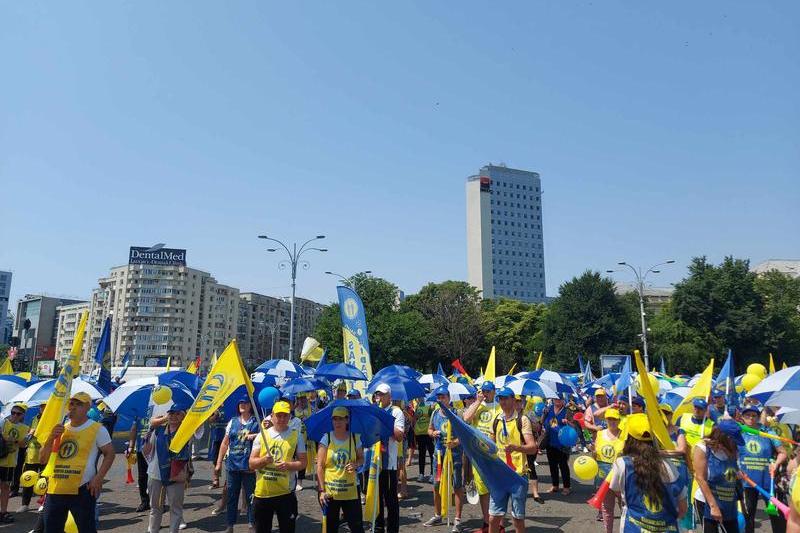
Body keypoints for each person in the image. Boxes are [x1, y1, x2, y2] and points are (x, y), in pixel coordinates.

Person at [39, 392, 115, 533]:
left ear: (87, 407)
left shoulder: (97, 429)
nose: (73, 407)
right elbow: (42, 459)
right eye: (71, 404)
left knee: (86, 529)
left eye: (78, 404)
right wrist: (51, 438)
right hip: (56, 488)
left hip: (82, 489)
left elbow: (110, 454)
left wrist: (98, 478)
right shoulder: (60, 429)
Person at [609, 413, 688, 532]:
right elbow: (682, 509)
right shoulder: (670, 466)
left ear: (629, 438)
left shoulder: (622, 464)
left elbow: (617, 491)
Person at [249, 400, 307, 533]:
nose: (282, 419)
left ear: (289, 417)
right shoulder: (262, 435)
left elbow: (303, 463)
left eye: (285, 416)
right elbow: (251, 464)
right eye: (278, 415)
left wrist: (288, 465)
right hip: (263, 494)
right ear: (272, 415)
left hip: (285, 494)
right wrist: (264, 460)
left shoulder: (296, 436)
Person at [487, 387, 536, 533]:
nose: (502, 402)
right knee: (493, 518)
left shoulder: (523, 420)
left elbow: (533, 447)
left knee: (518, 519)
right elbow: (490, 445)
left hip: (517, 475)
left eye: (506, 398)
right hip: (499, 476)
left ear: (513, 400)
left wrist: (517, 448)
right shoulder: (496, 419)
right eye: (500, 398)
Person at [143, 403, 193, 533]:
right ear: (166, 415)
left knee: (175, 508)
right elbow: (146, 450)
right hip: (156, 474)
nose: (174, 416)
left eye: (178, 414)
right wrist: (149, 432)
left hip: (176, 475)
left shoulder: (186, 431)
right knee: (155, 507)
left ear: (183, 416)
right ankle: (153, 530)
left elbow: (197, 427)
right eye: (171, 413)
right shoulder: (158, 430)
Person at [738, 405, 787, 533]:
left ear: (758, 417)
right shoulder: (738, 434)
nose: (751, 418)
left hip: (767, 481)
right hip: (747, 482)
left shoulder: (768, 432)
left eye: (754, 415)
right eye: (747, 415)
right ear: (742, 418)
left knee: (776, 516)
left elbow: (782, 452)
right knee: (748, 517)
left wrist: (776, 464)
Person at [316, 406, 365, 533]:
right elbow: (320, 466)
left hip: (351, 490)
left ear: (347, 420)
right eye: (335, 419)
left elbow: (361, 459)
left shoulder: (355, 438)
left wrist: (356, 464)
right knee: (331, 528)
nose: (337, 422)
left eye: (341, 419)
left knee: (357, 527)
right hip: (331, 491)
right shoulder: (326, 438)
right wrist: (321, 490)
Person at [423, 387, 465, 532]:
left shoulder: (456, 414)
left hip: (454, 456)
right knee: (436, 485)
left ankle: (457, 519)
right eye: (438, 397)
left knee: (457, 486)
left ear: (449, 398)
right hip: (438, 456)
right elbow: (429, 429)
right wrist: (432, 433)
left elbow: (464, 434)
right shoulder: (435, 412)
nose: (440, 400)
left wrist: (456, 442)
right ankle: (437, 514)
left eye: (443, 397)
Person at [216, 397, 259, 533]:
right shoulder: (232, 422)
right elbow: (224, 443)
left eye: (245, 403)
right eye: (240, 403)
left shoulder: (256, 421)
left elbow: (266, 436)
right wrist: (218, 463)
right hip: (233, 465)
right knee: (232, 496)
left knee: (251, 496)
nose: (242, 405)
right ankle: (230, 525)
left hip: (248, 466)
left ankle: (252, 523)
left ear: (251, 406)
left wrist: (256, 435)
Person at [463, 381, 502, 531]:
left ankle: (499, 525)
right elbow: (466, 418)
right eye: (483, 391)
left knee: (497, 490)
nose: (485, 394)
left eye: (488, 391)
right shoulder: (477, 405)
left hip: (494, 455)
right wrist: (478, 401)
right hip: (478, 454)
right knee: (483, 490)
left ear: (494, 391)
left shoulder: (499, 407)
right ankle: (487, 523)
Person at [693, 420, 745, 533]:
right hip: (707, 501)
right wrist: (713, 506)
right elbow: (700, 478)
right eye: (733, 440)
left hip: (728, 501)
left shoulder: (732, 449)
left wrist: (737, 475)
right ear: (725, 437)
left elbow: (730, 473)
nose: (735, 443)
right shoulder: (702, 448)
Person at [373, 383, 405, 533]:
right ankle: (378, 528)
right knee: (376, 498)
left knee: (391, 500)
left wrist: (385, 422)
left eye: (383, 394)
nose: (380, 397)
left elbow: (399, 436)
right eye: (378, 394)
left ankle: (393, 529)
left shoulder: (396, 412)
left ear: (389, 396)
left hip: (390, 463)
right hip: (375, 462)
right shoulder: (376, 410)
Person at [595, 407, 623, 533]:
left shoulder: (624, 435)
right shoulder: (600, 434)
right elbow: (595, 455)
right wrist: (593, 453)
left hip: (621, 478)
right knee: (606, 509)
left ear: (619, 420)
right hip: (604, 477)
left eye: (614, 419)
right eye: (609, 419)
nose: (612, 421)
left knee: (625, 508)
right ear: (606, 420)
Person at [0, 403, 29, 523]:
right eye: (13, 412)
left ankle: (3, 512)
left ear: (23, 415)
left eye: (18, 413)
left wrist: (15, 440)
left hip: (10, 462)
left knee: (5, 487)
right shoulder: (3, 423)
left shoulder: (24, 428)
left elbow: (23, 444)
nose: (15, 416)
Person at [541, 395, 572, 495]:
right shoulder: (548, 409)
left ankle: (566, 487)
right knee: (552, 465)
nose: (557, 400)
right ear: (553, 399)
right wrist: (543, 414)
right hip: (550, 441)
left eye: (560, 399)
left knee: (563, 465)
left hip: (563, 442)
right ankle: (555, 485)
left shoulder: (567, 411)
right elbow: (543, 422)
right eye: (556, 398)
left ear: (563, 400)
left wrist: (567, 422)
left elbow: (574, 425)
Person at [20, 402, 46, 514]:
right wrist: (30, 433)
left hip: (45, 454)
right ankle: (25, 504)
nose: (43, 408)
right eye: (41, 406)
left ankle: (43, 503)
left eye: (45, 406)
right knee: (28, 480)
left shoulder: (53, 419)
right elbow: (28, 435)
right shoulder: (34, 418)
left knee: (44, 480)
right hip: (32, 455)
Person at [128, 414, 153, 512]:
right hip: (141, 450)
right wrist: (131, 446)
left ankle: (159, 503)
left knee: (156, 477)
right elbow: (133, 430)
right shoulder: (138, 413)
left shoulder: (158, 410)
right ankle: (145, 501)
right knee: (142, 477)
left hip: (155, 449)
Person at [414, 399, 434, 483]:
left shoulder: (430, 404)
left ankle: (432, 474)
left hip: (428, 433)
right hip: (419, 433)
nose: (419, 398)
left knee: (431, 454)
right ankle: (421, 473)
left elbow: (431, 417)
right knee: (421, 454)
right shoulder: (417, 405)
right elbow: (416, 418)